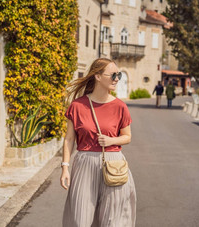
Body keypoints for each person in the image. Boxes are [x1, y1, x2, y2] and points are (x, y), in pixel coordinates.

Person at [61, 58, 136, 227]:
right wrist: (65, 167)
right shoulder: (77, 106)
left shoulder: (120, 106)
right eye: (113, 75)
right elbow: (69, 139)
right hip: (84, 164)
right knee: (80, 219)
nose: (116, 79)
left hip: (114, 165)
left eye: (119, 75)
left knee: (112, 220)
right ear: (97, 76)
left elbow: (127, 137)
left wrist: (111, 140)